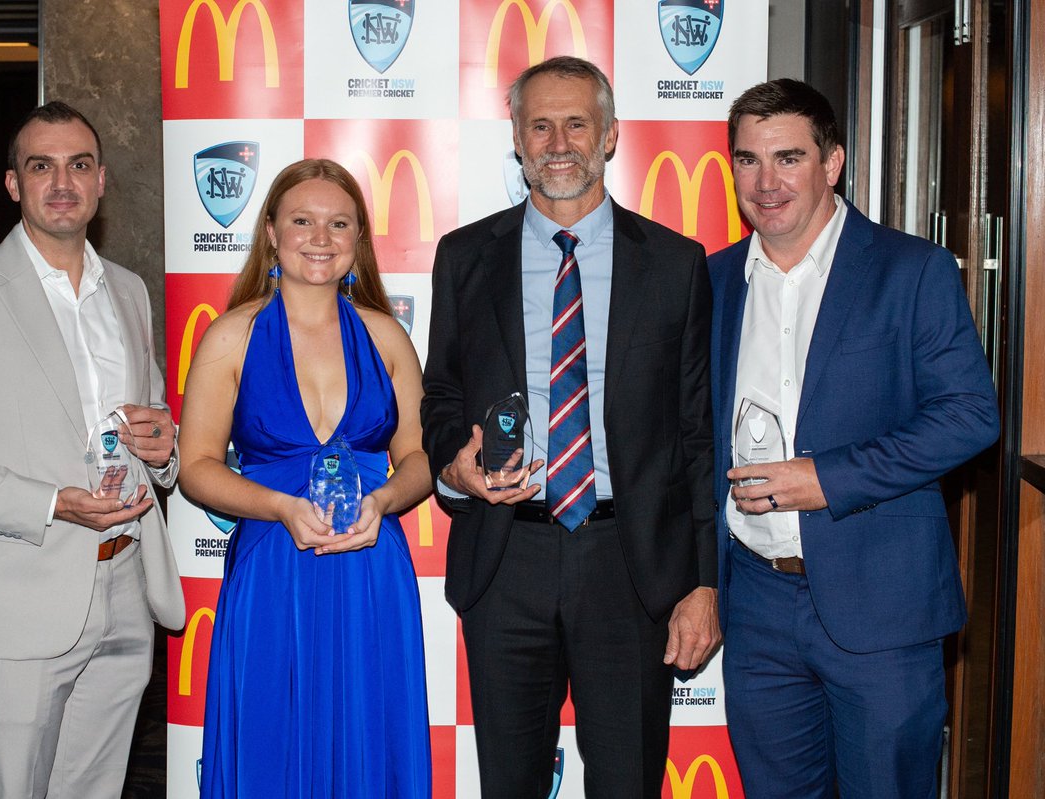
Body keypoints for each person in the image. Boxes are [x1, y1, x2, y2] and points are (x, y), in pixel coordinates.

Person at [421, 56, 719, 797]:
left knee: (627, 782)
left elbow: (697, 435)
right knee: (510, 783)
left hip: (631, 563)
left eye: (576, 123)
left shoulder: (677, 264)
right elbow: (442, 397)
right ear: (517, 140)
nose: (559, 141)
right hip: (505, 556)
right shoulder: (463, 257)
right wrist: (453, 465)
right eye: (540, 125)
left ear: (610, 134)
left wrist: (703, 581)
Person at [708, 78, 1000, 798]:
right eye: (748, 160)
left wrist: (825, 477)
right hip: (756, 603)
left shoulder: (912, 270)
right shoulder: (713, 281)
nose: (767, 181)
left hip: (882, 608)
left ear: (832, 162)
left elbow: (970, 414)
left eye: (788, 158)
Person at [0, 101, 184, 798]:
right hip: (20, 593)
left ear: (102, 180)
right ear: (13, 184)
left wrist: (164, 445)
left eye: (79, 165)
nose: (62, 182)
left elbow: (154, 421)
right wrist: (49, 504)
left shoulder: (130, 293)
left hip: (128, 583)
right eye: (41, 166)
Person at [178, 158, 432, 797]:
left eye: (339, 223)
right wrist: (281, 507)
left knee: (370, 744)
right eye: (302, 220)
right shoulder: (229, 337)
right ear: (270, 232)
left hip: (370, 569)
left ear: (358, 240)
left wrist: (384, 500)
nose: (320, 237)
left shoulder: (387, 337)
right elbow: (196, 468)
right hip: (273, 567)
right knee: (272, 740)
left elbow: (421, 461)